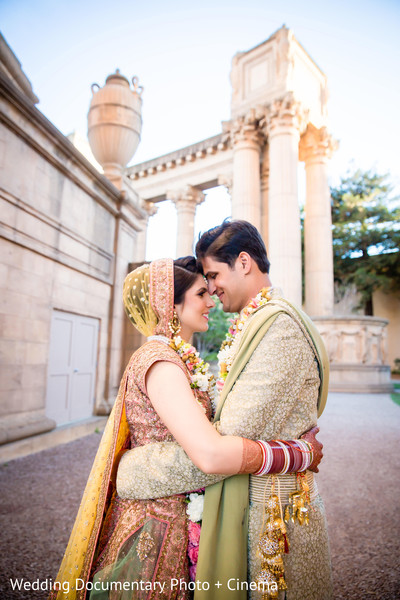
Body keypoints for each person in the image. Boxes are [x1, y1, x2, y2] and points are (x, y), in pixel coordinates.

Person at [49, 256, 320, 600]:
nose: (211, 302)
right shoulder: (160, 363)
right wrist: (298, 453)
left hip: (180, 520)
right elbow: (208, 453)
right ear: (170, 304)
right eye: (200, 294)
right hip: (157, 528)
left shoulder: (176, 359)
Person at [117, 222, 333, 600]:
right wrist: (294, 453)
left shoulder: (277, 328)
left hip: (272, 516)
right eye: (204, 286)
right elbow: (216, 442)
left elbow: (227, 434)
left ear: (244, 263)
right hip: (232, 506)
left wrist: (134, 469)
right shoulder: (250, 328)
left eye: (214, 276)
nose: (213, 291)